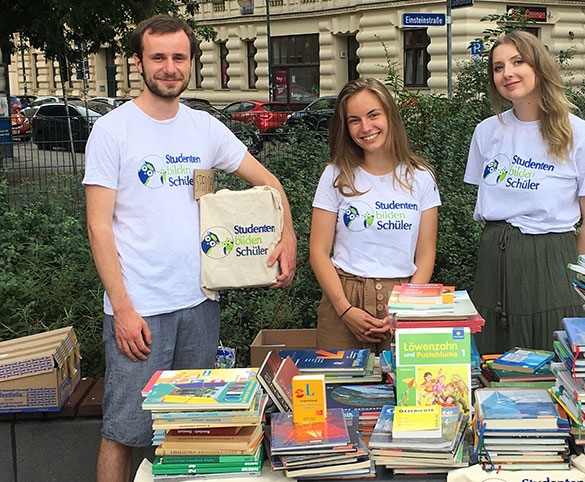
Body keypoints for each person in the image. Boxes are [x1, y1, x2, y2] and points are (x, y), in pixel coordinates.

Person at [83, 15, 297, 482]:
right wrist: (122, 308)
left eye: (179, 57)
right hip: (139, 310)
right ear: (138, 62)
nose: (169, 67)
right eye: (158, 57)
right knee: (123, 431)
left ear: (191, 63)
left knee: (194, 431)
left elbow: (269, 183)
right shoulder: (113, 130)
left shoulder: (204, 128)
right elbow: (98, 228)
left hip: (200, 305)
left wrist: (288, 235)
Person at [464, 30, 585, 354]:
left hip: (551, 260)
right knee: (492, 361)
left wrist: (561, 270)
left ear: (539, 67)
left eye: (518, 62)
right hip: (493, 261)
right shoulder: (487, 132)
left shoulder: (582, 136)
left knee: (546, 360)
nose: (507, 73)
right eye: (498, 67)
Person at [309, 78, 440, 353]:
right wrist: (345, 310)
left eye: (373, 115)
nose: (365, 127)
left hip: (403, 300)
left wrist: (402, 311)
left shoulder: (421, 178)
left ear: (390, 115)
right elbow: (319, 252)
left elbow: (426, 254)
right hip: (344, 298)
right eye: (354, 120)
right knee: (340, 393)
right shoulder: (335, 176)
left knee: (405, 391)